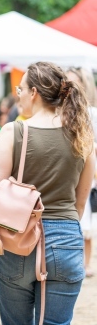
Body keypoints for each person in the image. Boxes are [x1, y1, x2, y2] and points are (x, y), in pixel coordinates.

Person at [0, 62, 95, 324]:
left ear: (34, 92)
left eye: (20, 88)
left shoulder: (13, 131)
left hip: (17, 239)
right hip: (67, 241)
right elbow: (80, 203)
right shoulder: (82, 135)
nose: (18, 94)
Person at [66, 66, 97, 278]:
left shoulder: (92, 113)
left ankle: (85, 264)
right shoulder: (59, 112)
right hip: (68, 170)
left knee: (85, 217)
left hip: (87, 166)